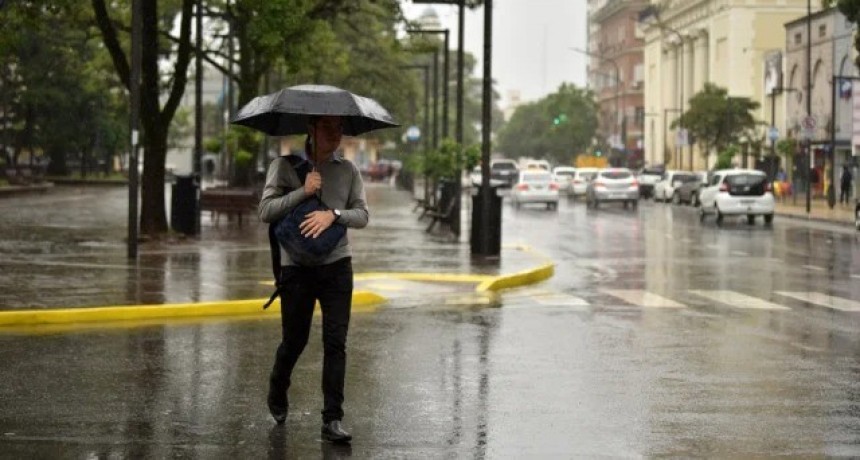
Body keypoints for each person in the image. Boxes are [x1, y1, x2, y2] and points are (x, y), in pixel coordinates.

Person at [258, 115, 368, 444]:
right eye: (328, 127)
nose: (336, 134)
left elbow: (362, 215)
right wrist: (303, 192)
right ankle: (278, 385)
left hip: (337, 265)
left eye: (339, 128)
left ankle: (332, 418)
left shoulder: (348, 170)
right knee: (295, 340)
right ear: (311, 129)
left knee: (336, 342)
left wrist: (333, 214)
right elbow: (265, 211)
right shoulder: (284, 166)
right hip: (296, 267)